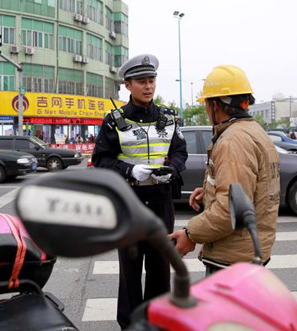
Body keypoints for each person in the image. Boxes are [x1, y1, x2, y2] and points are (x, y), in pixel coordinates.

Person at [92, 54, 188, 329]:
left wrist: (174, 169)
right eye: (142, 82)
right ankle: (131, 324)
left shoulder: (168, 119)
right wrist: (129, 171)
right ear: (128, 85)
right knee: (131, 270)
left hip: (161, 203)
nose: (148, 87)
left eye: (152, 80)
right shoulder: (113, 120)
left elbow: (179, 151)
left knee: (159, 269)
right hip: (129, 203)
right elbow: (101, 159)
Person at [168, 65, 280, 276]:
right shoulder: (254, 131)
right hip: (250, 251)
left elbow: (230, 210)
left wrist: (190, 234)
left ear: (214, 104)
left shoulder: (232, 141)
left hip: (233, 259)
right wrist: (209, 191)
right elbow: (250, 189)